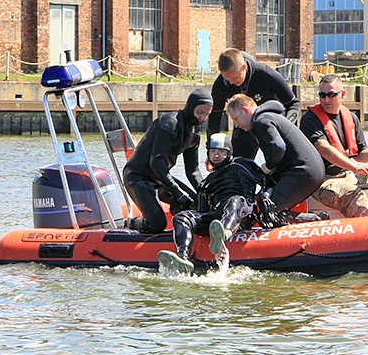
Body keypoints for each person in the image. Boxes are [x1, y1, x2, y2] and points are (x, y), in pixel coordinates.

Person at [157, 133, 265, 275]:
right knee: (181, 217)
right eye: (213, 152)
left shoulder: (242, 165)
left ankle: (224, 234)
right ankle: (183, 257)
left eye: (221, 152)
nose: (217, 155)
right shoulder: (207, 182)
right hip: (217, 218)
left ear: (229, 152)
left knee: (235, 201)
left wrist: (265, 195)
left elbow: (265, 180)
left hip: (242, 213)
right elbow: (203, 210)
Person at [299, 74, 368, 218]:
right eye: (322, 95)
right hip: (323, 181)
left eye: (331, 95)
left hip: (349, 174)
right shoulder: (310, 120)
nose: (326, 100)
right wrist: (355, 167)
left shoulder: (351, 118)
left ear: (343, 94)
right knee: (356, 197)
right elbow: (323, 149)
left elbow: (360, 153)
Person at [122, 89, 213, 233]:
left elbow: (193, 171)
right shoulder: (170, 124)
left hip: (160, 176)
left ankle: (183, 230)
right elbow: (156, 162)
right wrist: (177, 192)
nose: (202, 118)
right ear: (190, 107)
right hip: (138, 176)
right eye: (200, 112)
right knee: (158, 224)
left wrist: (205, 192)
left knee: (196, 202)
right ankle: (132, 223)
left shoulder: (194, 134)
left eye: (207, 114)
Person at [225, 93, 324, 221]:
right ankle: (317, 218)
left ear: (245, 110)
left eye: (236, 119)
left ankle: (316, 220)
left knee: (269, 213)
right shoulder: (270, 117)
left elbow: (277, 147)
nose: (236, 125)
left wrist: (268, 166)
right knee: (268, 208)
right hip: (311, 170)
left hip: (302, 172)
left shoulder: (260, 121)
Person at [207, 48, 300, 159]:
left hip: (272, 126)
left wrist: (285, 127)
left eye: (235, 77)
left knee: (280, 160)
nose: (231, 82)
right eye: (227, 78)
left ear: (244, 67)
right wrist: (211, 148)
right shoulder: (221, 84)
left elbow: (293, 104)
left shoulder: (265, 74)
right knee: (238, 165)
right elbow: (215, 116)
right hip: (244, 127)